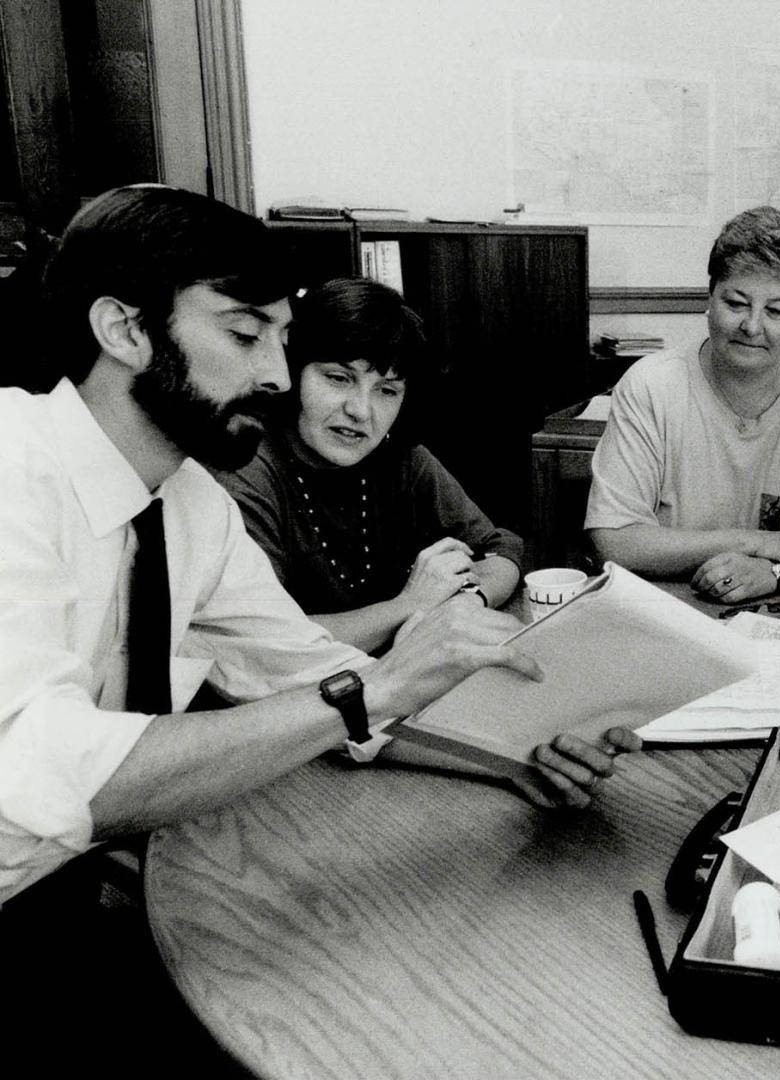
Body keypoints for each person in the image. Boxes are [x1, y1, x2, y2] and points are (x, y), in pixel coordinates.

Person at [0, 186, 638, 1063]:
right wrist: (377, 683)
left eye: (280, 341)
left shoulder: (190, 504)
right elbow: (55, 775)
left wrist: (513, 758)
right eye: (242, 333)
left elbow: (309, 677)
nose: (271, 374)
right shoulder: (9, 466)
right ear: (125, 330)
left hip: (84, 899)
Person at [585, 205, 780, 604]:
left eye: (775, 311)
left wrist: (776, 572)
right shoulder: (650, 386)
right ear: (709, 298)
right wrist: (755, 543)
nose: (752, 326)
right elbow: (615, 541)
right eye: (735, 303)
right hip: (674, 606)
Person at [220, 277, 522, 655]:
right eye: (338, 378)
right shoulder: (246, 469)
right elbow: (270, 641)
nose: (361, 411)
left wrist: (466, 602)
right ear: (292, 373)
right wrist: (411, 606)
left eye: (387, 390)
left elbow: (500, 551)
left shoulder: (403, 459)